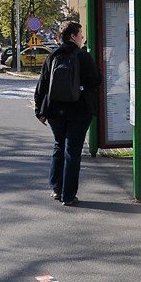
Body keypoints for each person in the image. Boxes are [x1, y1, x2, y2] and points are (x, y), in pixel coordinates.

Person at [34, 21, 100, 206]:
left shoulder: (52, 56)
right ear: (73, 36)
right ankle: (69, 195)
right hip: (79, 111)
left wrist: (40, 111)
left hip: (55, 111)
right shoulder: (83, 56)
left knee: (59, 146)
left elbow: (42, 85)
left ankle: (56, 188)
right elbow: (95, 80)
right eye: (80, 34)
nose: (82, 38)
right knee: (73, 152)